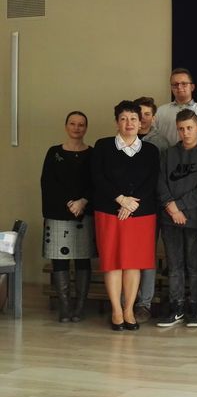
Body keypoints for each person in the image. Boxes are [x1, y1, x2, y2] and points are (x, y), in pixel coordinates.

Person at [91, 101, 160, 331]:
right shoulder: (103, 146)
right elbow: (97, 177)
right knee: (112, 263)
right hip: (109, 212)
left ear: (140, 123)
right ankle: (116, 310)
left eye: (133, 119)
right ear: (116, 123)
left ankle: (129, 309)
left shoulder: (150, 150)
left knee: (133, 263)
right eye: (123, 119)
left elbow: (152, 181)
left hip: (141, 214)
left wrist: (131, 204)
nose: (129, 123)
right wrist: (121, 199)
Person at [155, 109, 197, 328]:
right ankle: (177, 306)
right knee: (175, 265)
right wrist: (171, 208)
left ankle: (194, 307)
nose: (185, 132)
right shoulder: (168, 154)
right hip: (169, 218)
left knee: (195, 266)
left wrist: (180, 207)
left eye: (189, 128)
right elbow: (160, 182)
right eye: (181, 129)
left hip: (195, 218)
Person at [41, 111, 95, 322]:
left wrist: (83, 202)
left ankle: (79, 307)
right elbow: (48, 182)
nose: (76, 128)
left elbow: (96, 182)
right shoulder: (54, 152)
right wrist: (69, 203)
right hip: (58, 214)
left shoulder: (92, 153)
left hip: (84, 213)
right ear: (66, 126)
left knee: (83, 260)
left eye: (81, 124)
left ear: (86, 128)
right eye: (73, 124)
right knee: (60, 261)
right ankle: (64, 307)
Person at [133, 96, 169, 322]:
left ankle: (144, 303)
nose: (143, 118)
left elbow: (162, 177)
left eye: (147, 114)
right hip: (126, 208)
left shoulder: (160, 143)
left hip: (151, 206)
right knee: (128, 256)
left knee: (146, 255)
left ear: (154, 117)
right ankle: (127, 300)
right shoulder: (121, 140)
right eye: (139, 114)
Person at [155, 68, 197, 146]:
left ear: (192, 87)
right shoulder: (160, 111)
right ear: (171, 88)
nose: (179, 87)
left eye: (184, 83)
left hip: (195, 153)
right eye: (175, 84)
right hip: (165, 153)